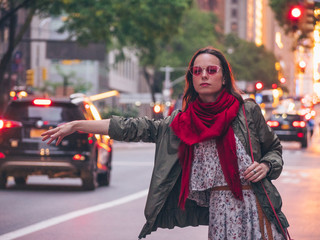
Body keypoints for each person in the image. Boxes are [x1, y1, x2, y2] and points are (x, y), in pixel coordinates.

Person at [42, 46, 289, 240]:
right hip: (220, 215)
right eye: (197, 71)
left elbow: (274, 150)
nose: (204, 75)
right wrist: (77, 125)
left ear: (224, 77)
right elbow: (132, 127)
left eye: (211, 70)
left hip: (257, 208)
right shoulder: (180, 124)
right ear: (191, 78)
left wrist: (267, 166)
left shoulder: (246, 111)